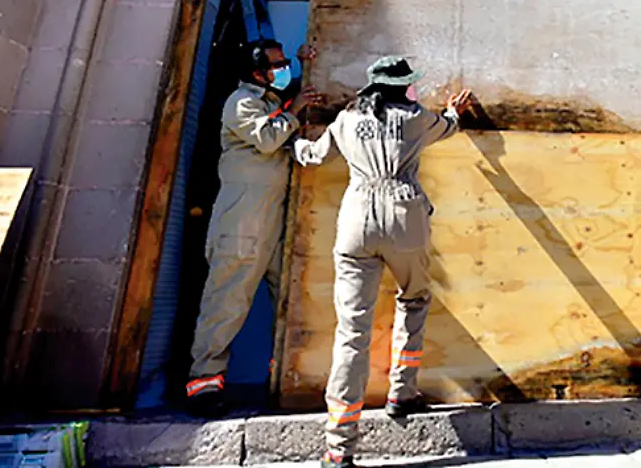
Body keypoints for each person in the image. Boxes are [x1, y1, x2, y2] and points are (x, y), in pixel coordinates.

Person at [292, 56, 474, 468]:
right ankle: (401, 393)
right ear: (404, 86)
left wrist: (295, 143)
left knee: (351, 333)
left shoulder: (346, 120)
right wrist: (452, 110)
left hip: (356, 219)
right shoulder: (416, 118)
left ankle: (338, 447)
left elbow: (315, 155)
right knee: (414, 299)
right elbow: (449, 126)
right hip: (403, 215)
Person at [185, 39, 325, 417]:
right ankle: (204, 384)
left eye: (283, 64)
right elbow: (267, 137)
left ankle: (283, 380)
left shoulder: (267, 101)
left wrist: (301, 67)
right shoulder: (241, 103)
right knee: (226, 302)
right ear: (254, 70)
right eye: (276, 65)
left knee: (288, 304)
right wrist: (295, 109)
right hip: (241, 223)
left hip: (272, 223)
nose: (282, 71)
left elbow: (286, 104)